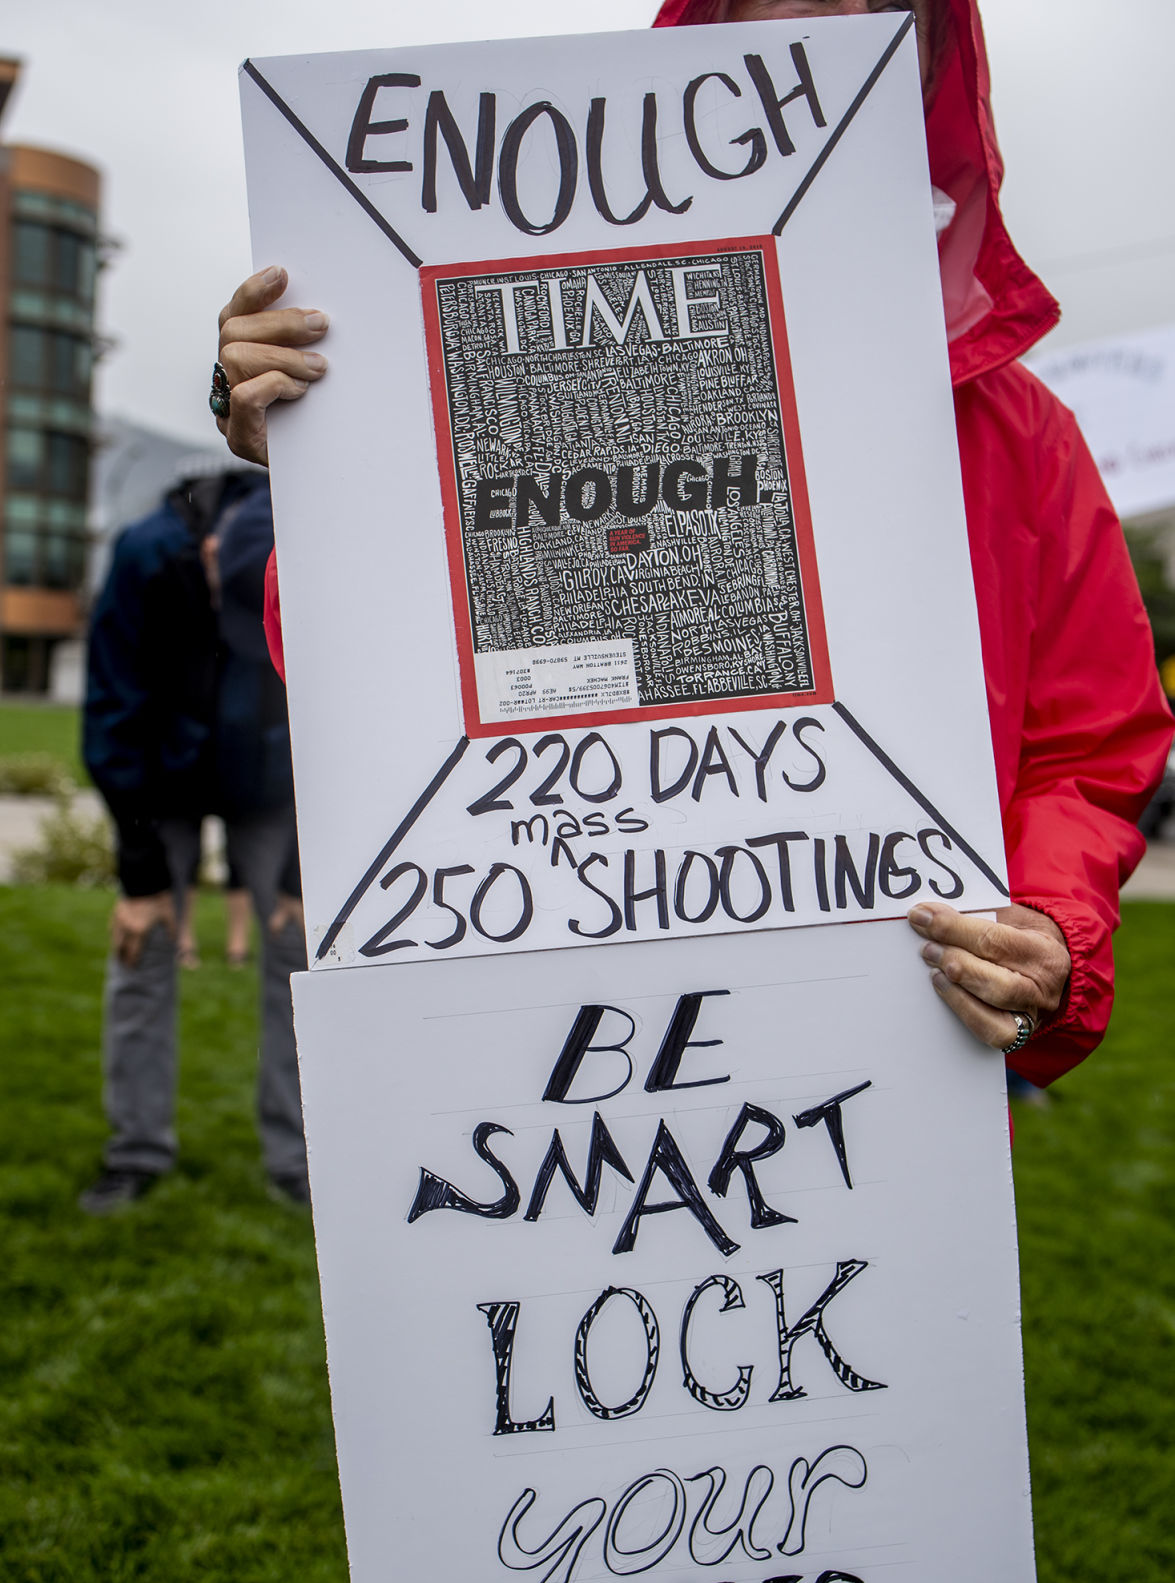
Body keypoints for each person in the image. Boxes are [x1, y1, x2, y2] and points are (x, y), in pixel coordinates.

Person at [208, 0, 1173, 1090]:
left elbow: (1090, 749)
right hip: (536, 1013)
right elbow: (359, 679)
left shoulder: (1014, 436)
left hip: (895, 1047)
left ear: (926, 71)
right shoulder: (541, 370)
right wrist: (322, 445)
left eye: (881, 6)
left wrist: (1052, 926)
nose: (836, 21)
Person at [81, 471, 310, 1213]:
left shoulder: (306, 549)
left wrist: (303, 880)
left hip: (272, 781)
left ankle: (302, 1158)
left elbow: (332, 719)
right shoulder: (145, 556)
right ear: (208, 552)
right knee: (140, 947)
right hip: (163, 783)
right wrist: (141, 879)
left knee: (300, 956)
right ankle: (136, 1152)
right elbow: (114, 711)